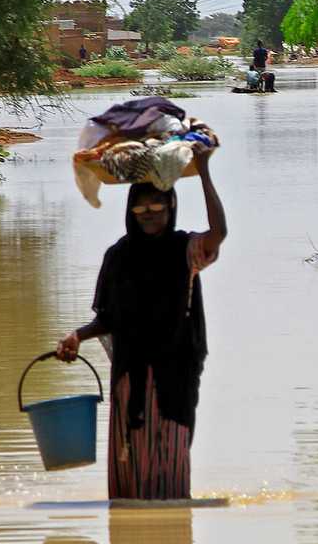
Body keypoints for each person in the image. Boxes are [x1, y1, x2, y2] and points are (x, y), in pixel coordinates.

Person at [56, 149, 226, 500]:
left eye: (157, 207)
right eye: (141, 208)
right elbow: (109, 318)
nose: (149, 215)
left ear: (171, 207)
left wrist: (205, 170)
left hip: (173, 377)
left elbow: (219, 233)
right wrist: (77, 335)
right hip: (129, 377)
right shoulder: (118, 256)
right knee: (128, 463)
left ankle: (170, 541)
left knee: (171, 462)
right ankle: (130, 541)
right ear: (131, 211)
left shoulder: (184, 249)